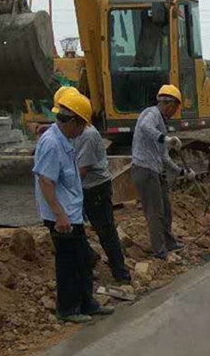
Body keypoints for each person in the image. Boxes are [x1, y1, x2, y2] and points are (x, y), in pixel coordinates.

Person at [33, 89, 114, 324]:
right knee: (68, 263)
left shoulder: (63, 139)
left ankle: (86, 301)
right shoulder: (51, 143)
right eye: (82, 126)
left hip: (71, 212)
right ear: (74, 121)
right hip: (62, 216)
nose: (82, 132)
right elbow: (45, 180)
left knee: (82, 258)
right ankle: (67, 308)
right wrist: (60, 215)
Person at [65, 103, 131, 283]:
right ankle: (90, 258)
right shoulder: (78, 131)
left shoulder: (88, 135)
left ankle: (121, 273)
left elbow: (82, 170)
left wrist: (65, 191)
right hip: (86, 188)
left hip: (95, 189)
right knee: (77, 229)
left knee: (106, 231)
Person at [131, 84, 194, 261]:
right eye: (174, 108)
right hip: (144, 169)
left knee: (166, 209)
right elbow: (144, 127)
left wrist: (182, 171)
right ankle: (160, 251)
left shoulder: (161, 123)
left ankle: (170, 242)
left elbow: (164, 157)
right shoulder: (151, 114)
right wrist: (165, 139)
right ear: (168, 104)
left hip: (156, 170)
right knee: (155, 213)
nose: (174, 112)